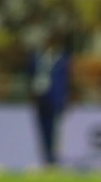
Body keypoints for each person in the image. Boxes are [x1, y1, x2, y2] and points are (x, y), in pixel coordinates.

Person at [27, 30, 71, 170]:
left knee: (55, 128)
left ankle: (53, 157)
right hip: (40, 97)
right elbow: (31, 76)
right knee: (42, 128)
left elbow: (66, 79)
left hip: (55, 97)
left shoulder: (61, 58)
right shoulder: (37, 57)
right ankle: (46, 157)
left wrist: (65, 96)